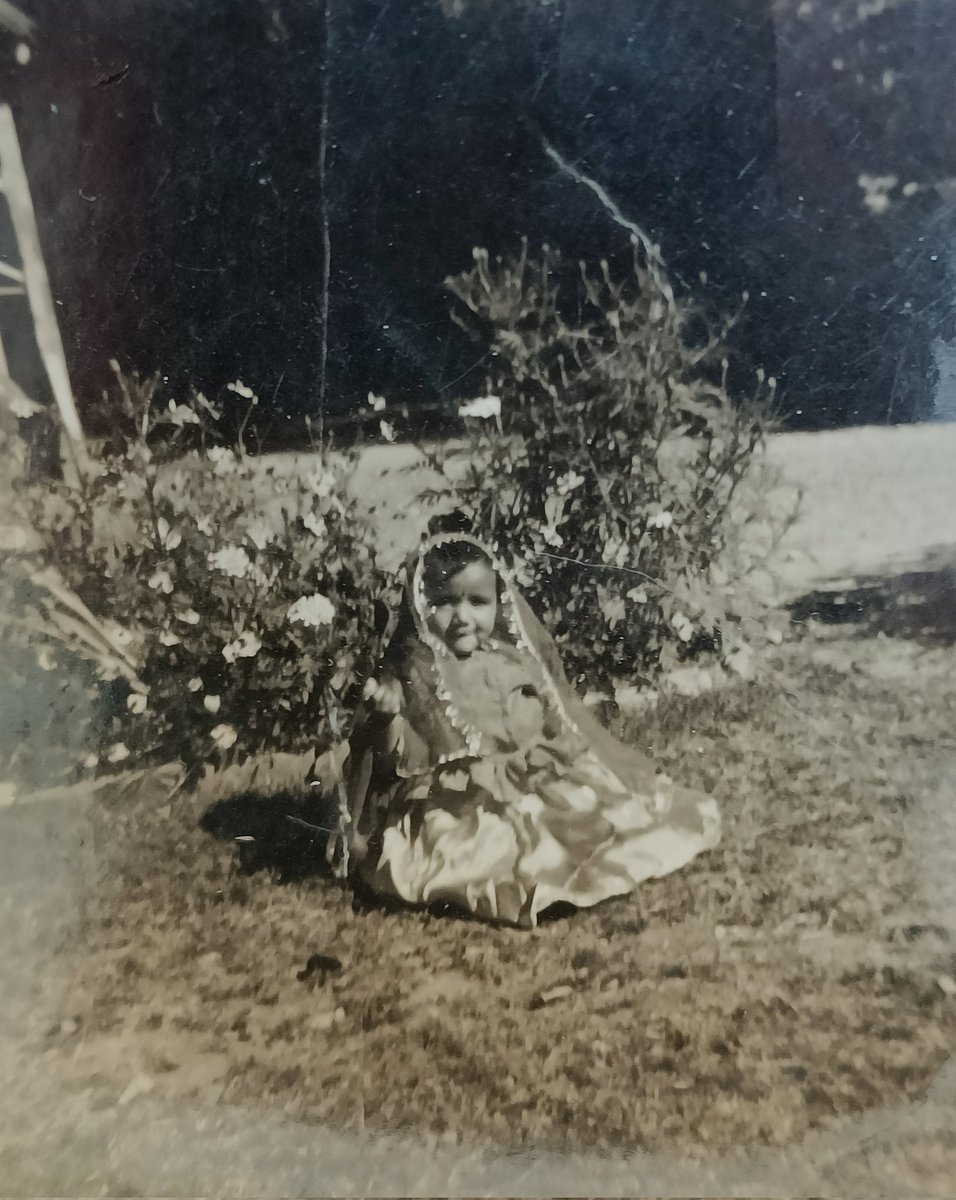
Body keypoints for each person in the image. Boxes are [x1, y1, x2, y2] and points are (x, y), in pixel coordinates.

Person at [328, 527, 720, 929]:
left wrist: (559, 742)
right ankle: (522, 877)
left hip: (524, 777)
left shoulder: (509, 657)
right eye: (445, 602)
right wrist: (388, 715)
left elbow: (545, 718)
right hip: (461, 801)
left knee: (583, 811)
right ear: (421, 605)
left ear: (498, 603)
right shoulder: (416, 669)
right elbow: (396, 759)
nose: (462, 617)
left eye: (477, 602)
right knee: (486, 845)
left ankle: (575, 852)